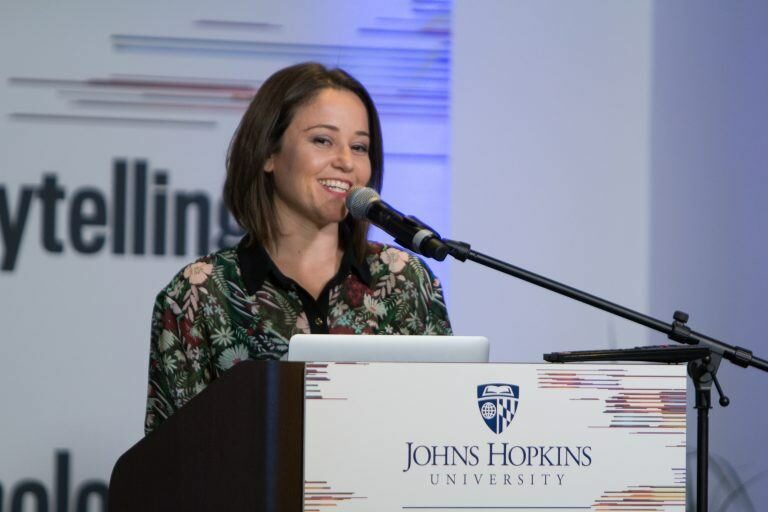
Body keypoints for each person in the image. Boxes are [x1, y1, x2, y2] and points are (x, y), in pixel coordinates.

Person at [144, 62, 452, 434]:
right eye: (323, 140)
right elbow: (171, 466)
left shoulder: (405, 280)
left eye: (359, 147)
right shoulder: (199, 293)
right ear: (268, 153)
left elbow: (442, 437)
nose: (345, 162)